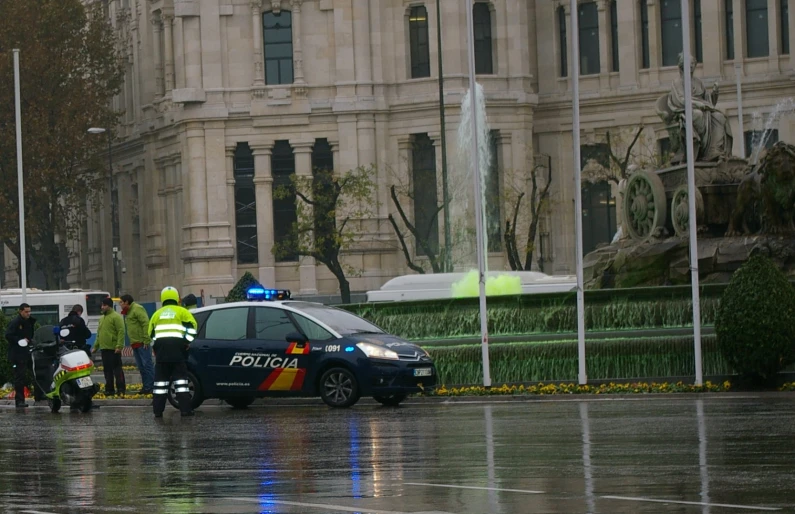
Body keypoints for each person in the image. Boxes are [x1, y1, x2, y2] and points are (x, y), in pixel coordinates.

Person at [149, 286, 198, 418]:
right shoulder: (182, 312)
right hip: (178, 353)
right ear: (176, 298)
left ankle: (158, 411)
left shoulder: (156, 314)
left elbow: (151, 334)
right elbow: (193, 328)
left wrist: (158, 347)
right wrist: (186, 342)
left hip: (162, 355)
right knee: (181, 383)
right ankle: (185, 410)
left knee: (160, 385)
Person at [4, 303, 43, 408]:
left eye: (29, 311)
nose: (28, 313)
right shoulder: (15, 322)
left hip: (28, 351)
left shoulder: (29, 322)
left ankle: (39, 396)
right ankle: (19, 400)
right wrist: (19, 340)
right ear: (20, 311)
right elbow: (8, 335)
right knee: (20, 377)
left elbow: (31, 335)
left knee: (36, 373)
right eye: (26, 311)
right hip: (18, 353)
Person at [119, 294, 155, 395]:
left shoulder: (137, 309)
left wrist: (146, 340)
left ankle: (152, 387)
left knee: (147, 365)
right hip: (134, 343)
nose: (120, 305)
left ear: (126, 302)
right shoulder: (129, 312)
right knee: (141, 367)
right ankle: (146, 386)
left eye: (121, 302)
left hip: (142, 343)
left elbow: (145, 323)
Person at [92, 297, 126, 396]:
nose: (102, 307)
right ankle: (109, 389)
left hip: (114, 348)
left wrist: (119, 346)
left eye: (104, 305)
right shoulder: (102, 318)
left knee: (117, 370)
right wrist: (96, 346)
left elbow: (121, 332)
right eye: (102, 305)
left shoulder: (116, 317)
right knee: (107, 371)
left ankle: (121, 389)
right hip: (104, 348)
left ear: (109, 306)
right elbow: (99, 333)